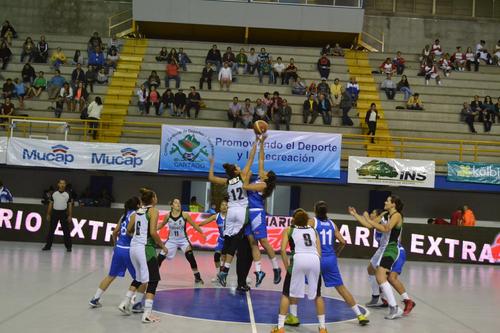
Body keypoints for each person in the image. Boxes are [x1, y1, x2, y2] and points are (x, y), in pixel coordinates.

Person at [287, 202, 369, 327]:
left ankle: (293, 316)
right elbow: (343, 241)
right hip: (330, 259)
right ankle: (359, 315)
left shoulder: (312, 222)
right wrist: (336, 253)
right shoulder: (332, 224)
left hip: (316, 258)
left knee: (297, 285)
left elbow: (302, 234)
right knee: (341, 288)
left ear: (315, 210)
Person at [208, 138, 258, 288]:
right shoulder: (243, 176)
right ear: (236, 171)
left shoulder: (227, 181)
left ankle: (223, 271)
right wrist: (256, 141)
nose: (239, 166)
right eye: (237, 166)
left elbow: (210, 178)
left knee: (228, 240)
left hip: (231, 211)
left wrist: (211, 164)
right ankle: (225, 271)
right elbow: (251, 158)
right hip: (242, 210)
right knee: (236, 241)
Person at [348, 207, 416, 315]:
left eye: (373, 213)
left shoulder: (389, 221)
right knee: (371, 269)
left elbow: (376, 226)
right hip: (382, 249)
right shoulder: (383, 217)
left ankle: (406, 300)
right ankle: (376, 297)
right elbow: (368, 224)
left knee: (390, 278)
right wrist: (355, 214)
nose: (371, 214)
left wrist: (366, 217)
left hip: (393, 249)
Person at [271, 208, 326, 333]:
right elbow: (319, 251)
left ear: (293, 220)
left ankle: (280, 328)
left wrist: (286, 266)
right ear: (307, 220)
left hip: (299, 259)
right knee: (318, 295)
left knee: (286, 294)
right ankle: (322, 328)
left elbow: (283, 250)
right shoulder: (313, 230)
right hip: (314, 259)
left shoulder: (289, 230)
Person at [120, 188, 168, 323]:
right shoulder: (153, 211)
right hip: (145, 249)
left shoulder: (136, 212)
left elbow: (129, 230)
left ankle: (125, 302)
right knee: (153, 280)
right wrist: (163, 245)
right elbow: (153, 232)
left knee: (139, 277)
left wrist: (137, 236)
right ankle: (147, 314)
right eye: (156, 196)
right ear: (153, 199)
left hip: (133, 248)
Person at [89, 197, 146, 309]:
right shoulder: (136, 215)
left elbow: (114, 232)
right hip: (129, 250)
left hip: (119, 248)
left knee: (111, 275)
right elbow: (132, 232)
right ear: (138, 205)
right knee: (141, 278)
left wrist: (115, 245)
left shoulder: (124, 215)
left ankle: (95, 298)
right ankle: (137, 303)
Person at [242, 136, 280, 287]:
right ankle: (259, 271)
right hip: (249, 212)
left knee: (263, 241)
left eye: (265, 171)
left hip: (256, 213)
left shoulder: (262, 184)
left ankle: (276, 268)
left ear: (267, 177)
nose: (262, 170)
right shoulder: (260, 178)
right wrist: (261, 143)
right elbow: (261, 158)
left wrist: (247, 177)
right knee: (252, 242)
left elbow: (245, 187)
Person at [360, 195, 406, 319]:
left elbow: (386, 229)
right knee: (380, 276)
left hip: (391, 248)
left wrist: (369, 220)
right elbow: (372, 225)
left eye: (388, 201)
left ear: (394, 204)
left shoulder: (396, 215)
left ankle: (394, 306)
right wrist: (357, 215)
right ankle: (394, 307)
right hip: (386, 249)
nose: (385, 202)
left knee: (382, 276)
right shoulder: (386, 214)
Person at [157, 198, 206, 284]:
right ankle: (153, 276)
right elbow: (161, 225)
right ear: (172, 205)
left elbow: (194, 225)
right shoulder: (168, 216)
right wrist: (152, 229)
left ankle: (197, 277)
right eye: (176, 202)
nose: (178, 204)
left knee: (191, 257)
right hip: (171, 241)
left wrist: (202, 233)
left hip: (183, 240)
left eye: (179, 202)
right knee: (159, 258)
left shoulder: (185, 215)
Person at [199, 198, 228, 280]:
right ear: (220, 206)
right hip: (221, 240)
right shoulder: (216, 216)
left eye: (226, 205)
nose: (224, 206)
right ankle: (218, 274)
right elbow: (205, 221)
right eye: (222, 205)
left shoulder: (230, 216)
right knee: (216, 256)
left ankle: (222, 275)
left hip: (229, 240)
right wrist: (196, 225)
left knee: (224, 258)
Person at [42, 179, 73, 252]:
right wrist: (48, 214)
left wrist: (70, 215)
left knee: (66, 231)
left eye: (63, 183)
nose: (62, 185)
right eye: (61, 183)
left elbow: (70, 205)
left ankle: (68, 247)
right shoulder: (54, 193)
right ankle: (48, 246)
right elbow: (50, 204)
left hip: (63, 213)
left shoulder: (68, 194)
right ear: (58, 184)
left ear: (65, 185)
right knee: (51, 230)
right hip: (55, 213)